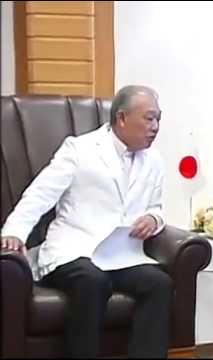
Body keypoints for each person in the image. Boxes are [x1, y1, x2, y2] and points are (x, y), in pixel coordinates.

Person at [1, 85, 172, 358]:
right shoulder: (79, 150)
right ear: (122, 118)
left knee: (159, 284)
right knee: (92, 281)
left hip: (119, 253)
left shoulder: (154, 160)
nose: (155, 127)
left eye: (158, 119)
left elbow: (157, 207)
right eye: (149, 118)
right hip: (74, 249)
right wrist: (15, 232)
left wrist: (154, 218)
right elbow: (40, 194)